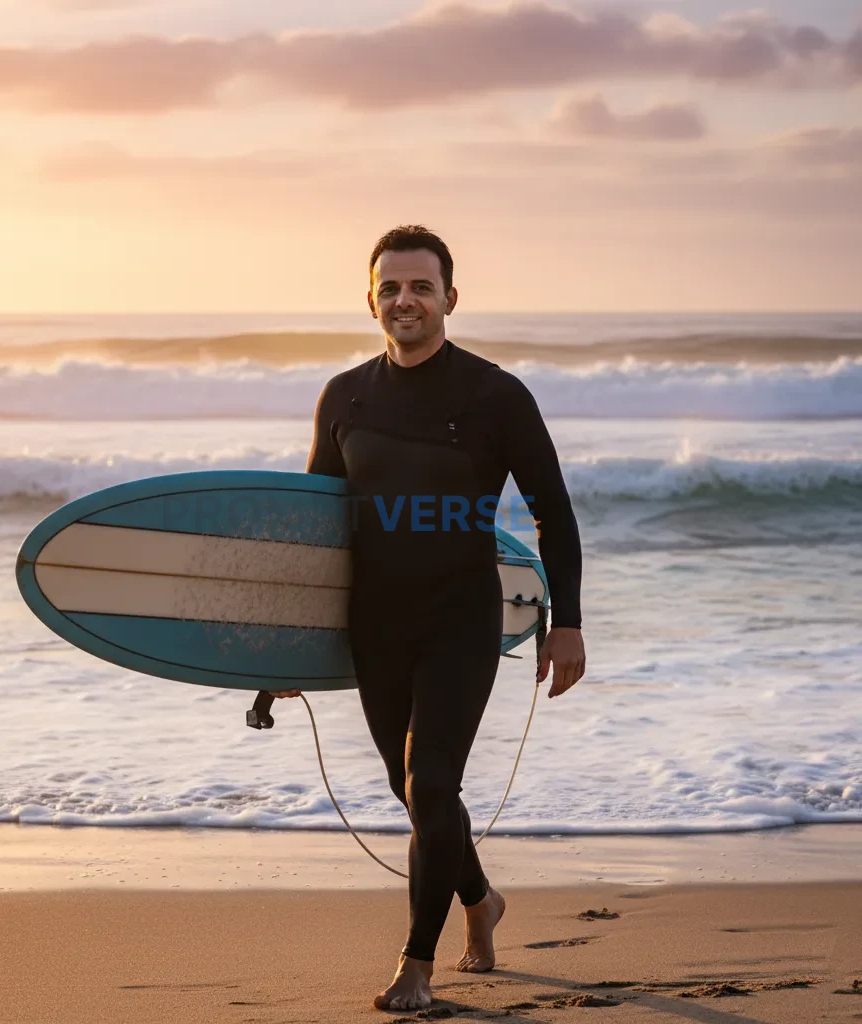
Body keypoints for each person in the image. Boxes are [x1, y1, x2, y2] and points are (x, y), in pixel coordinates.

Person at [270, 225, 585, 1012]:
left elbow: (554, 513)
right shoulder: (344, 396)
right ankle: (480, 900)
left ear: (450, 296)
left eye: (420, 286)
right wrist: (281, 649)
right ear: (371, 299)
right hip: (375, 623)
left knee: (431, 776)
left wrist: (567, 622)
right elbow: (319, 531)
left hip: (459, 617)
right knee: (413, 792)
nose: (404, 300)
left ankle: (417, 962)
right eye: (390, 288)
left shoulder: (495, 394)